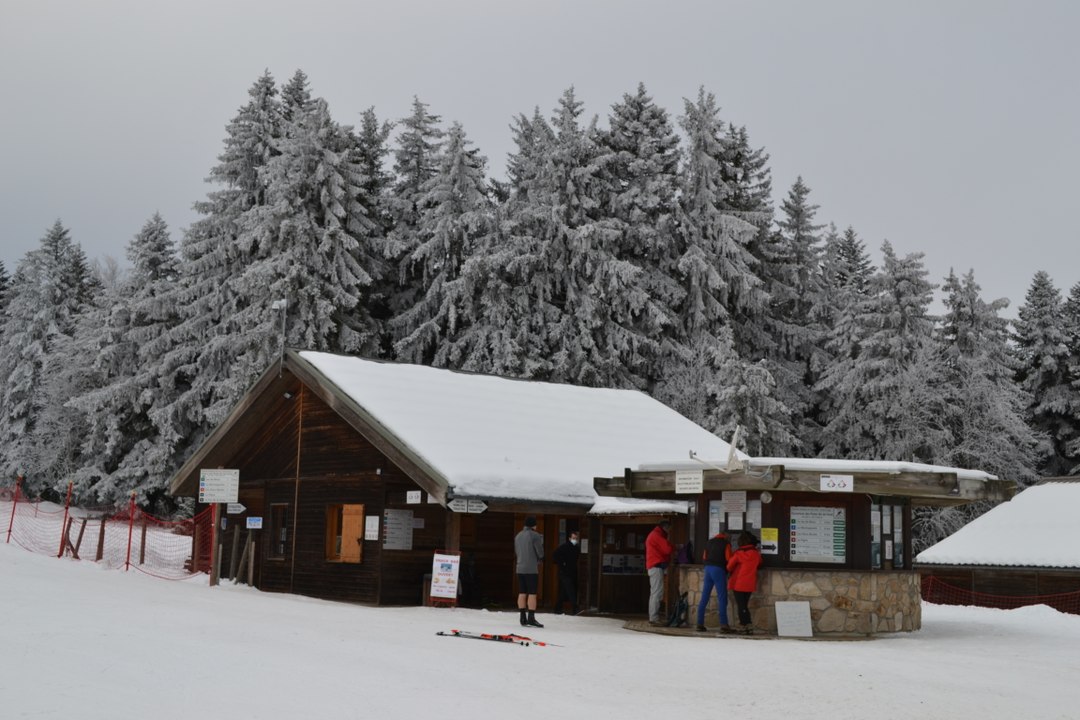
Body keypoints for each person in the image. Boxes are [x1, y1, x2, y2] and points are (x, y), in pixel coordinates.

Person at [696, 529, 733, 632]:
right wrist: (729, 570)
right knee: (722, 597)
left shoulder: (709, 542)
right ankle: (724, 624)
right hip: (719, 570)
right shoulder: (726, 544)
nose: (730, 539)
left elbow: (704, 557)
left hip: (708, 569)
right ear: (726, 536)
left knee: (704, 596)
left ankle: (699, 623)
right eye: (730, 537)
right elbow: (729, 559)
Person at [727, 530, 763, 634]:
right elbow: (760, 563)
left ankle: (745, 625)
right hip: (750, 583)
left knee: (741, 606)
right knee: (744, 605)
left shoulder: (739, 553)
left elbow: (729, 566)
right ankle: (747, 626)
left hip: (738, 583)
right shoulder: (756, 554)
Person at [514, 516, 544, 627]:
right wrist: (540, 558)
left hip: (520, 567)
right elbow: (540, 552)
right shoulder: (535, 535)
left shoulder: (518, 536)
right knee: (532, 593)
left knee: (522, 592)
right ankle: (531, 618)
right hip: (531, 568)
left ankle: (522, 617)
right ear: (533, 525)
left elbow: (517, 551)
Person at [644, 519, 674, 625]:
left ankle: (653, 617)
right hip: (656, 567)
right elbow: (667, 549)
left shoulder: (654, 534)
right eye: (669, 529)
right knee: (657, 593)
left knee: (655, 593)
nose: (669, 531)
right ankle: (654, 618)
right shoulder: (657, 535)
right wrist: (675, 547)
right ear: (665, 527)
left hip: (654, 567)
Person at [552, 530, 581, 615]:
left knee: (564, 591)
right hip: (564, 572)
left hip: (572, 571)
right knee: (570, 589)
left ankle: (557, 608)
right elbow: (555, 555)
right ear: (569, 538)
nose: (575, 540)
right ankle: (575, 607)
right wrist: (562, 564)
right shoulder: (564, 546)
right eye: (573, 538)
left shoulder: (577, 548)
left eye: (576, 538)